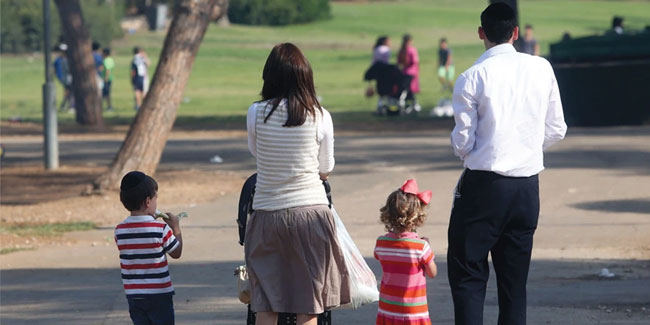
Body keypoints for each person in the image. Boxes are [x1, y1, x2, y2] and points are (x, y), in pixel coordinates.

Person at [448, 3, 567, 325]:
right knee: (514, 285)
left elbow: (463, 142)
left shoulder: (472, 76)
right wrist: (526, 146)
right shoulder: (541, 67)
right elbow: (556, 128)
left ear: (481, 34)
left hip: (484, 184)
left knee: (468, 276)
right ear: (515, 32)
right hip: (527, 186)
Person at [245, 43, 350, 325]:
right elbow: (326, 168)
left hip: (267, 213)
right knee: (308, 304)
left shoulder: (255, 113)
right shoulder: (320, 116)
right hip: (311, 215)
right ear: (306, 76)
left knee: (266, 304)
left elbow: (257, 153)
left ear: (269, 76)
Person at [114, 171, 183, 325]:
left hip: (134, 295)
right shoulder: (160, 228)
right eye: (155, 198)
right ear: (148, 202)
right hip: (159, 294)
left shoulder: (120, 230)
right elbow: (176, 252)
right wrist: (176, 228)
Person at [374, 179, 437, 325]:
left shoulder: (381, 243)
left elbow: (378, 255)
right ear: (417, 216)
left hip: (388, 307)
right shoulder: (421, 247)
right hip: (413, 311)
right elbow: (432, 273)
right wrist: (428, 246)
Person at [397, 34, 421, 111]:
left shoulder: (402, 50)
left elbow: (399, 62)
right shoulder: (412, 50)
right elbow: (415, 61)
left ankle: (412, 103)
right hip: (411, 72)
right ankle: (406, 101)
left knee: (407, 88)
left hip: (405, 72)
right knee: (407, 88)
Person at [53, 44, 74, 112]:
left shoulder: (64, 59)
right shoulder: (62, 59)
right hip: (66, 78)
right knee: (69, 92)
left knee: (68, 92)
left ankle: (65, 105)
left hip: (66, 78)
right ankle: (69, 106)